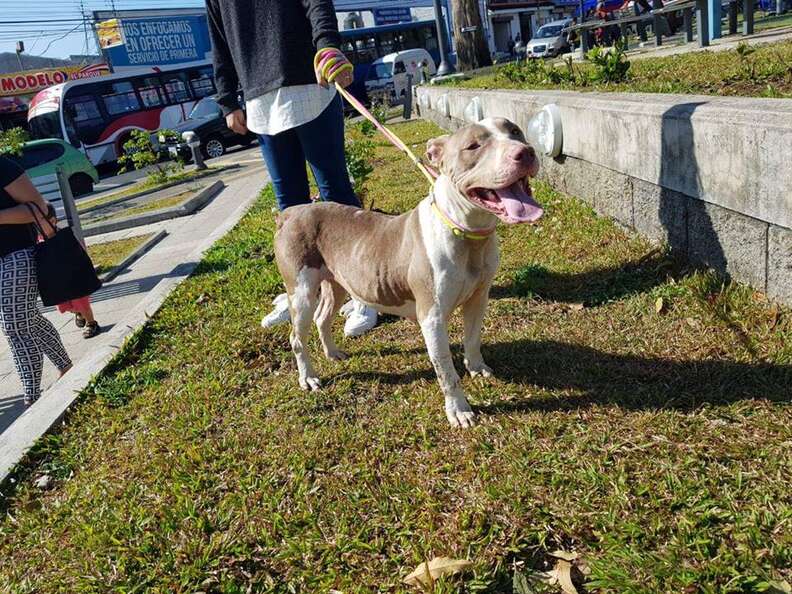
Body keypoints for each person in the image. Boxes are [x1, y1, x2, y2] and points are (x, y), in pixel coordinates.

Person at [206, 0, 378, 338]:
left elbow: (317, 3)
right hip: (259, 96)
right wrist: (227, 99)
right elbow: (220, 37)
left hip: (310, 80)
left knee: (336, 194)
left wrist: (327, 45)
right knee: (289, 207)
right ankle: (300, 294)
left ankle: (364, 292)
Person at [0, 156, 72, 406]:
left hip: (16, 253)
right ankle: (66, 366)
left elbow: (38, 207)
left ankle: (31, 396)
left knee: (14, 325)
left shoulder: (3, 166)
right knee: (27, 318)